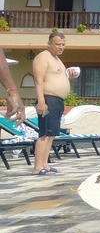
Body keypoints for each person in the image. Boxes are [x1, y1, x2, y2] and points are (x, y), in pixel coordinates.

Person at [31, 32, 78, 176]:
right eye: (58, 44)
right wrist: (41, 101)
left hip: (57, 100)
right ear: (49, 43)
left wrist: (68, 77)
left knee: (51, 134)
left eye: (63, 45)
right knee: (44, 134)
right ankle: (38, 167)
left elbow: (57, 79)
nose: (61, 47)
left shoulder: (57, 59)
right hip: (48, 99)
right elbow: (38, 80)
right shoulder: (43, 57)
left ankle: (45, 164)